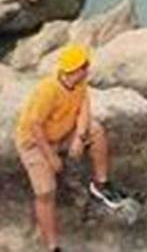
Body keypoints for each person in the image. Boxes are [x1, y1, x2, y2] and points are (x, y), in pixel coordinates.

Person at [14, 43, 127, 251]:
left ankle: (100, 185)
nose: (88, 70)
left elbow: (84, 109)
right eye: (85, 66)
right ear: (75, 70)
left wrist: (79, 137)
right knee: (45, 192)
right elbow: (35, 126)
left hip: (63, 133)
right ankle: (52, 246)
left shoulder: (79, 83)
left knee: (96, 130)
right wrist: (51, 157)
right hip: (35, 143)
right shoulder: (48, 90)